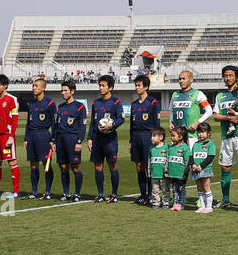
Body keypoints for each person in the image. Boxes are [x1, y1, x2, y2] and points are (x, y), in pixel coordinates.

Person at [213, 66, 238, 209]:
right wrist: (228, 117)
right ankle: (226, 199)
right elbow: (216, 116)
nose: (228, 78)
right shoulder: (220, 96)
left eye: (231, 75)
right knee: (225, 167)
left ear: (236, 77)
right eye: (225, 75)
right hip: (226, 136)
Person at [89, 74, 125, 202]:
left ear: (110, 87)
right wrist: (89, 138)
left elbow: (122, 118)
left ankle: (114, 195)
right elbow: (93, 123)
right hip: (97, 140)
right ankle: (101, 194)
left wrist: (112, 124)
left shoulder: (116, 102)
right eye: (99, 85)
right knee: (98, 166)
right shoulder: (95, 103)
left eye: (103, 86)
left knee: (112, 165)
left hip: (110, 140)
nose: (100, 88)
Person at [129, 75, 161, 205]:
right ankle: (142, 195)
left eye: (139, 85)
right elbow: (131, 124)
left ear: (146, 87)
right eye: (135, 85)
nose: (137, 88)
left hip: (148, 136)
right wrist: (131, 141)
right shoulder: (134, 104)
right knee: (139, 166)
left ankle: (150, 195)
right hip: (136, 137)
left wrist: (156, 139)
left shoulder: (153, 102)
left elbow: (156, 123)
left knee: (148, 167)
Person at [53, 80, 86, 201]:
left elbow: (82, 126)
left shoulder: (80, 107)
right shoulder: (60, 107)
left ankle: (77, 194)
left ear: (72, 91)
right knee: (63, 167)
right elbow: (56, 125)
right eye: (61, 90)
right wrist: (54, 141)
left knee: (75, 167)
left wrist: (79, 141)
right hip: (61, 139)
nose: (62, 93)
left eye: (65, 90)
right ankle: (66, 193)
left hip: (72, 139)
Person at [189, 121, 218, 213]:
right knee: (199, 187)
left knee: (206, 186)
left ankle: (209, 207)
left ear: (208, 133)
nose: (200, 134)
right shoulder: (196, 144)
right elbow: (191, 156)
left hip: (205, 169)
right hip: (195, 170)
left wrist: (201, 166)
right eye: (199, 132)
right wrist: (193, 164)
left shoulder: (210, 144)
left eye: (203, 132)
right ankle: (202, 206)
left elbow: (210, 157)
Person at [165, 123, 190, 211]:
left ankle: (181, 204)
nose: (171, 137)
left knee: (181, 189)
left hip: (181, 173)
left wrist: (185, 173)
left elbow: (187, 161)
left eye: (173, 136)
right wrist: (166, 170)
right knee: (175, 189)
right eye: (171, 135)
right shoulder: (171, 148)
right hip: (173, 173)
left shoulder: (185, 148)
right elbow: (168, 160)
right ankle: (175, 203)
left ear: (180, 137)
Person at [147, 127, 169, 209]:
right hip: (154, 173)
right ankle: (156, 202)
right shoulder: (151, 148)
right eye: (151, 136)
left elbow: (168, 160)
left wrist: (166, 170)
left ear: (161, 137)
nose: (151, 138)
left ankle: (165, 202)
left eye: (154, 136)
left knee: (165, 189)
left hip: (163, 173)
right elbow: (149, 159)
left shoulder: (167, 147)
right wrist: (149, 170)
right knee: (155, 189)